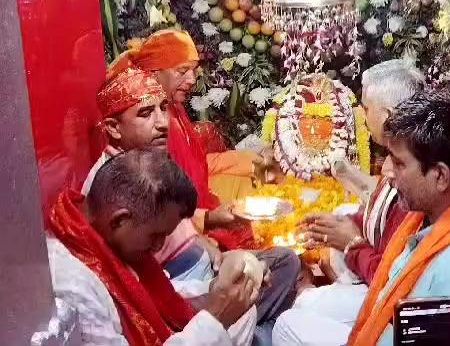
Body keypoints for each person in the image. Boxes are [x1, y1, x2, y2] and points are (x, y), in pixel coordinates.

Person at [84, 67, 300, 329]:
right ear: (113, 128)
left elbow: (178, 226)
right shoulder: (112, 188)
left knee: (285, 261)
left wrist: (215, 253)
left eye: (163, 108)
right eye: (145, 113)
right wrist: (217, 291)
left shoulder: (148, 161)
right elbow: (149, 288)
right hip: (182, 290)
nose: (162, 123)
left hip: (205, 267)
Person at [273, 90, 450, 346]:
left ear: (440, 176)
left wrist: (352, 245)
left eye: (400, 163)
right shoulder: (426, 221)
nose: (387, 172)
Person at [47, 148, 258, 346]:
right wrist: (216, 317)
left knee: (244, 311)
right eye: (155, 235)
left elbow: (161, 295)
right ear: (119, 220)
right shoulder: (73, 285)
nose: (159, 246)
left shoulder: (102, 232)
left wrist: (220, 289)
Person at [273, 60, 423, 335]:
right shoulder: (403, 154)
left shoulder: (411, 172)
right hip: (376, 278)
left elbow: (393, 276)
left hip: (393, 300)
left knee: (294, 314)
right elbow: (381, 215)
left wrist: (352, 243)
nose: (363, 120)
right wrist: (338, 226)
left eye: (366, 109)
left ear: (388, 115)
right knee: (342, 214)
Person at [108, 29, 274, 251]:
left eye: (194, 71)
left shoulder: (175, 110)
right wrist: (208, 223)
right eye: (182, 71)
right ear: (154, 73)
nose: (192, 80)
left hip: (200, 213)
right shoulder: (150, 130)